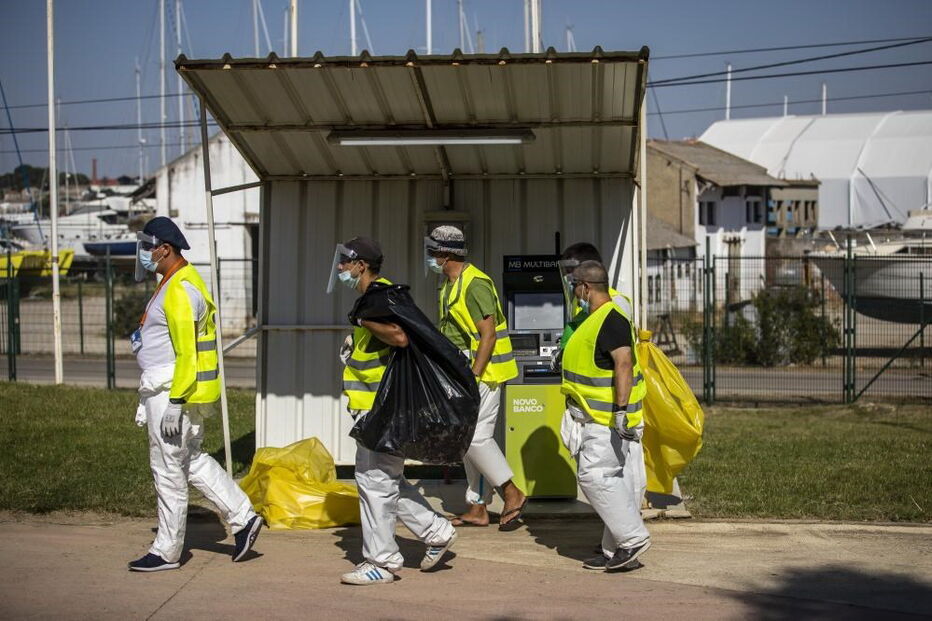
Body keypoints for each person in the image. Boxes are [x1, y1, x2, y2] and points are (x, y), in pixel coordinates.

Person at [129, 216, 262, 572]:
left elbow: (187, 353)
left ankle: (167, 551)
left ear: (165, 249)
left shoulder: (181, 289)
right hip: (170, 390)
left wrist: (174, 402)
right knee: (190, 461)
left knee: (168, 469)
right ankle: (244, 516)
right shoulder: (175, 282)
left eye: (147, 246)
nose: (143, 253)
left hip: (173, 393)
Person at [331, 236, 457, 586]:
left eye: (345, 263)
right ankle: (436, 531)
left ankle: (382, 562)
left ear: (361, 265)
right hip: (374, 408)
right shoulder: (378, 297)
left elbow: (400, 337)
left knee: (374, 483)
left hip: (380, 409)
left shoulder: (379, 297)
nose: (340, 268)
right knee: (385, 481)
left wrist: (363, 321)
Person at [425, 225, 527, 530]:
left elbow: (488, 335)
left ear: (445, 253)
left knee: (475, 438)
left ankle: (512, 492)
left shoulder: (475, 284)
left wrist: (474, 375)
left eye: (432, 251)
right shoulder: (450, 284)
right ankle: (478, 508)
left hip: (485, 373)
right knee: (467, 439)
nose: (429, 256)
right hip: (464, 372)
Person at [560, 260, 650, 572]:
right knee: (616, 482)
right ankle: (616, 552)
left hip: (605, 418)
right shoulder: (595, 318)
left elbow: (623, 364)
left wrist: (621, 412)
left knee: (594, 477)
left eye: (575, 286)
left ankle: (632, 538)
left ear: (585, 287)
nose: (574, 292)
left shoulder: (610, 319)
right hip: (595, 415)